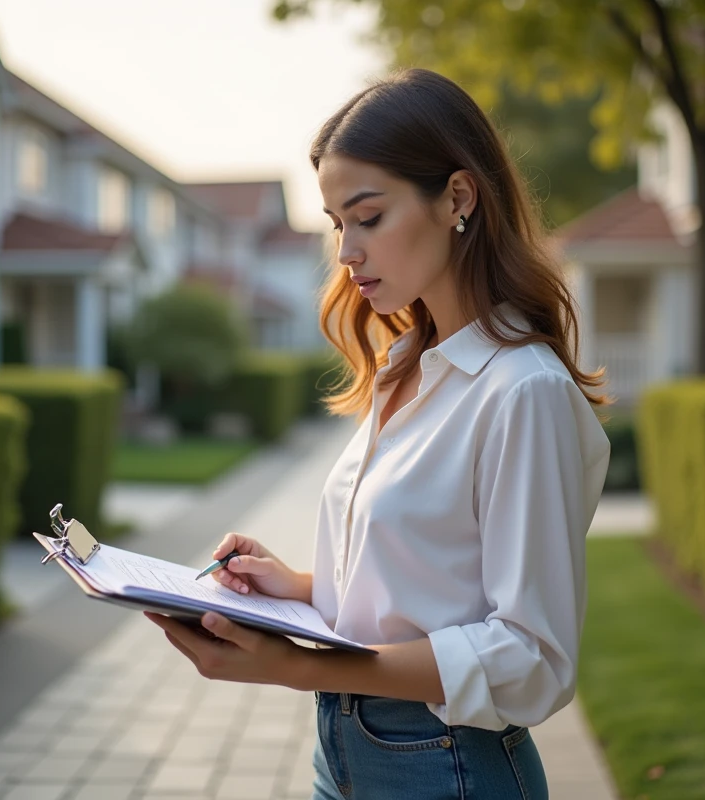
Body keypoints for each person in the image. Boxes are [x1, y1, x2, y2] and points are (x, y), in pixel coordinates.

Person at [145, 67, 612, 799]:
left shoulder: (523, 391)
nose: (346, 253)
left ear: (457, 198)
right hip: (342, 757)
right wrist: (295, 588)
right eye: (338, 224)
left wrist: (298, 666)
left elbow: (532, 657)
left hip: (446, 766)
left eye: (367, 217)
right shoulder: (407, 368)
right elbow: (425, 587)